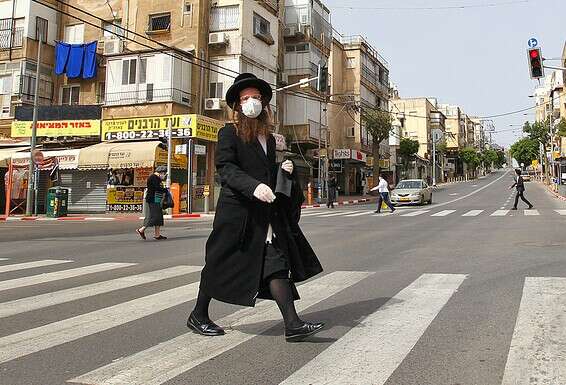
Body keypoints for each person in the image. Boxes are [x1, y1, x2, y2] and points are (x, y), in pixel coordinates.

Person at [187, 73, 324, 342]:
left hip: (263, 214)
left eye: (256, 97)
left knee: (275, 264)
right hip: (236, 214)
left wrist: (282, 170)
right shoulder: (228, 133)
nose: (251, 102)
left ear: (264, 103)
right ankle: (198, 315)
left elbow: (263, 170)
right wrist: (253, 187)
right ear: (238, 105)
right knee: (218, 263)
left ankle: (293, 324)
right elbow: (226, 169)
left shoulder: (269, 139)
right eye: (245, 98)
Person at [136, 166, 168, 240]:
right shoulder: (153, 177)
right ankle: (141, 229)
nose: (164, 175)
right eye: (164, 173)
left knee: (159, 217)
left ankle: (157, 235)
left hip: (156, 199)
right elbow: (157, 188)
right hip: (153, 200)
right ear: (161, 172)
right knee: (155, 217)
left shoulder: (157, 178)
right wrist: (165, 190)